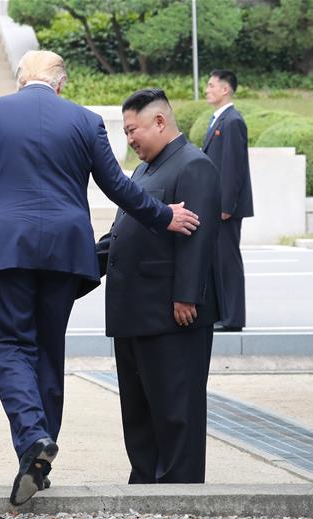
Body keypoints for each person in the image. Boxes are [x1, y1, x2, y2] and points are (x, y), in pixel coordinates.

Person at [0, 50, 201, 506]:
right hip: (65, 253)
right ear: (61, 85)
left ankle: (32, 438)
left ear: (21, 80)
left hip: (6, 251)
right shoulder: (84, 121)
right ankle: (38, 460)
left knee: (4, 345)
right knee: (46, 350)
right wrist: (164, 216)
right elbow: (117, 185)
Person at [97, 89, 222, 484]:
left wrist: (187, 295)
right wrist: (74, 268)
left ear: (160, 122)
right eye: (126, 131)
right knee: (138, 409)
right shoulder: (143, 171)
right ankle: (146, 480)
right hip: (134, 311)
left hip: (172, 314)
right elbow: (121, 233)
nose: (130, 139)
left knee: (175, 408)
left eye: (133, 130)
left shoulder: (193, 165)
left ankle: (179, 486)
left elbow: (198, 236)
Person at [203, 69, 253, 332]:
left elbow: (233, 167)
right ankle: (224, 314)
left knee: (228, 260)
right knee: (219, 260)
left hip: (226, 208)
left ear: (225, 90)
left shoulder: (232, 121)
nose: (207, 89)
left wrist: (225, 206)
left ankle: (233, 318)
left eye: (212, 85)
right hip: (218, 205)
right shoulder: (218, 120)